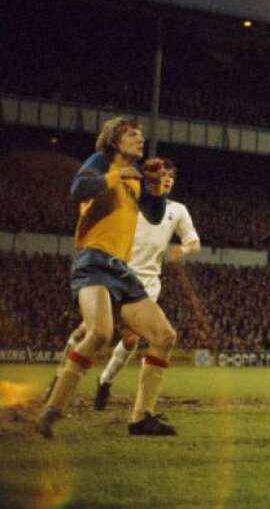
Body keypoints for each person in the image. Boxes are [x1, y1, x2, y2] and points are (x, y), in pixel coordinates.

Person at [36, 116, 178, 438]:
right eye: (132, 135)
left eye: (141, 136)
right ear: (115, 140)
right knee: (100, 332)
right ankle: (52, 411)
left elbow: (155, 215)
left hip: (121, 269)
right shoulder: (101, 161)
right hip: (93, 260)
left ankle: (141, 419)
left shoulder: (137, 176)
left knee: (164, 336)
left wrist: (155, 185)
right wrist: (117, 173)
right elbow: (78, 188)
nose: (140, 140)